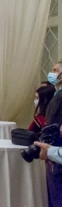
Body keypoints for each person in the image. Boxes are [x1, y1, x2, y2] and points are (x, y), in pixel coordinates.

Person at [43, 61, 62, 207]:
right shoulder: (57, 94)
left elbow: (53, 123)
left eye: (55, 70)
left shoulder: (60, 97)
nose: (52, 73)